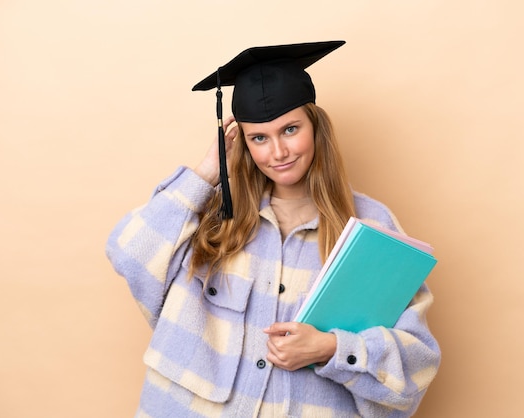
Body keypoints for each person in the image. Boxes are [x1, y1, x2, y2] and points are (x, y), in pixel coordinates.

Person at [106, 40, 440, 418]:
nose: (277, 152)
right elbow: (129, 253)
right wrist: (208, 173)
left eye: (290, 129)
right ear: (243, 143)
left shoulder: (371, 228)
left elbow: (416, 366)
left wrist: (332, 348)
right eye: (259, 138)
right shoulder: (210, 211)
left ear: (316, 127)